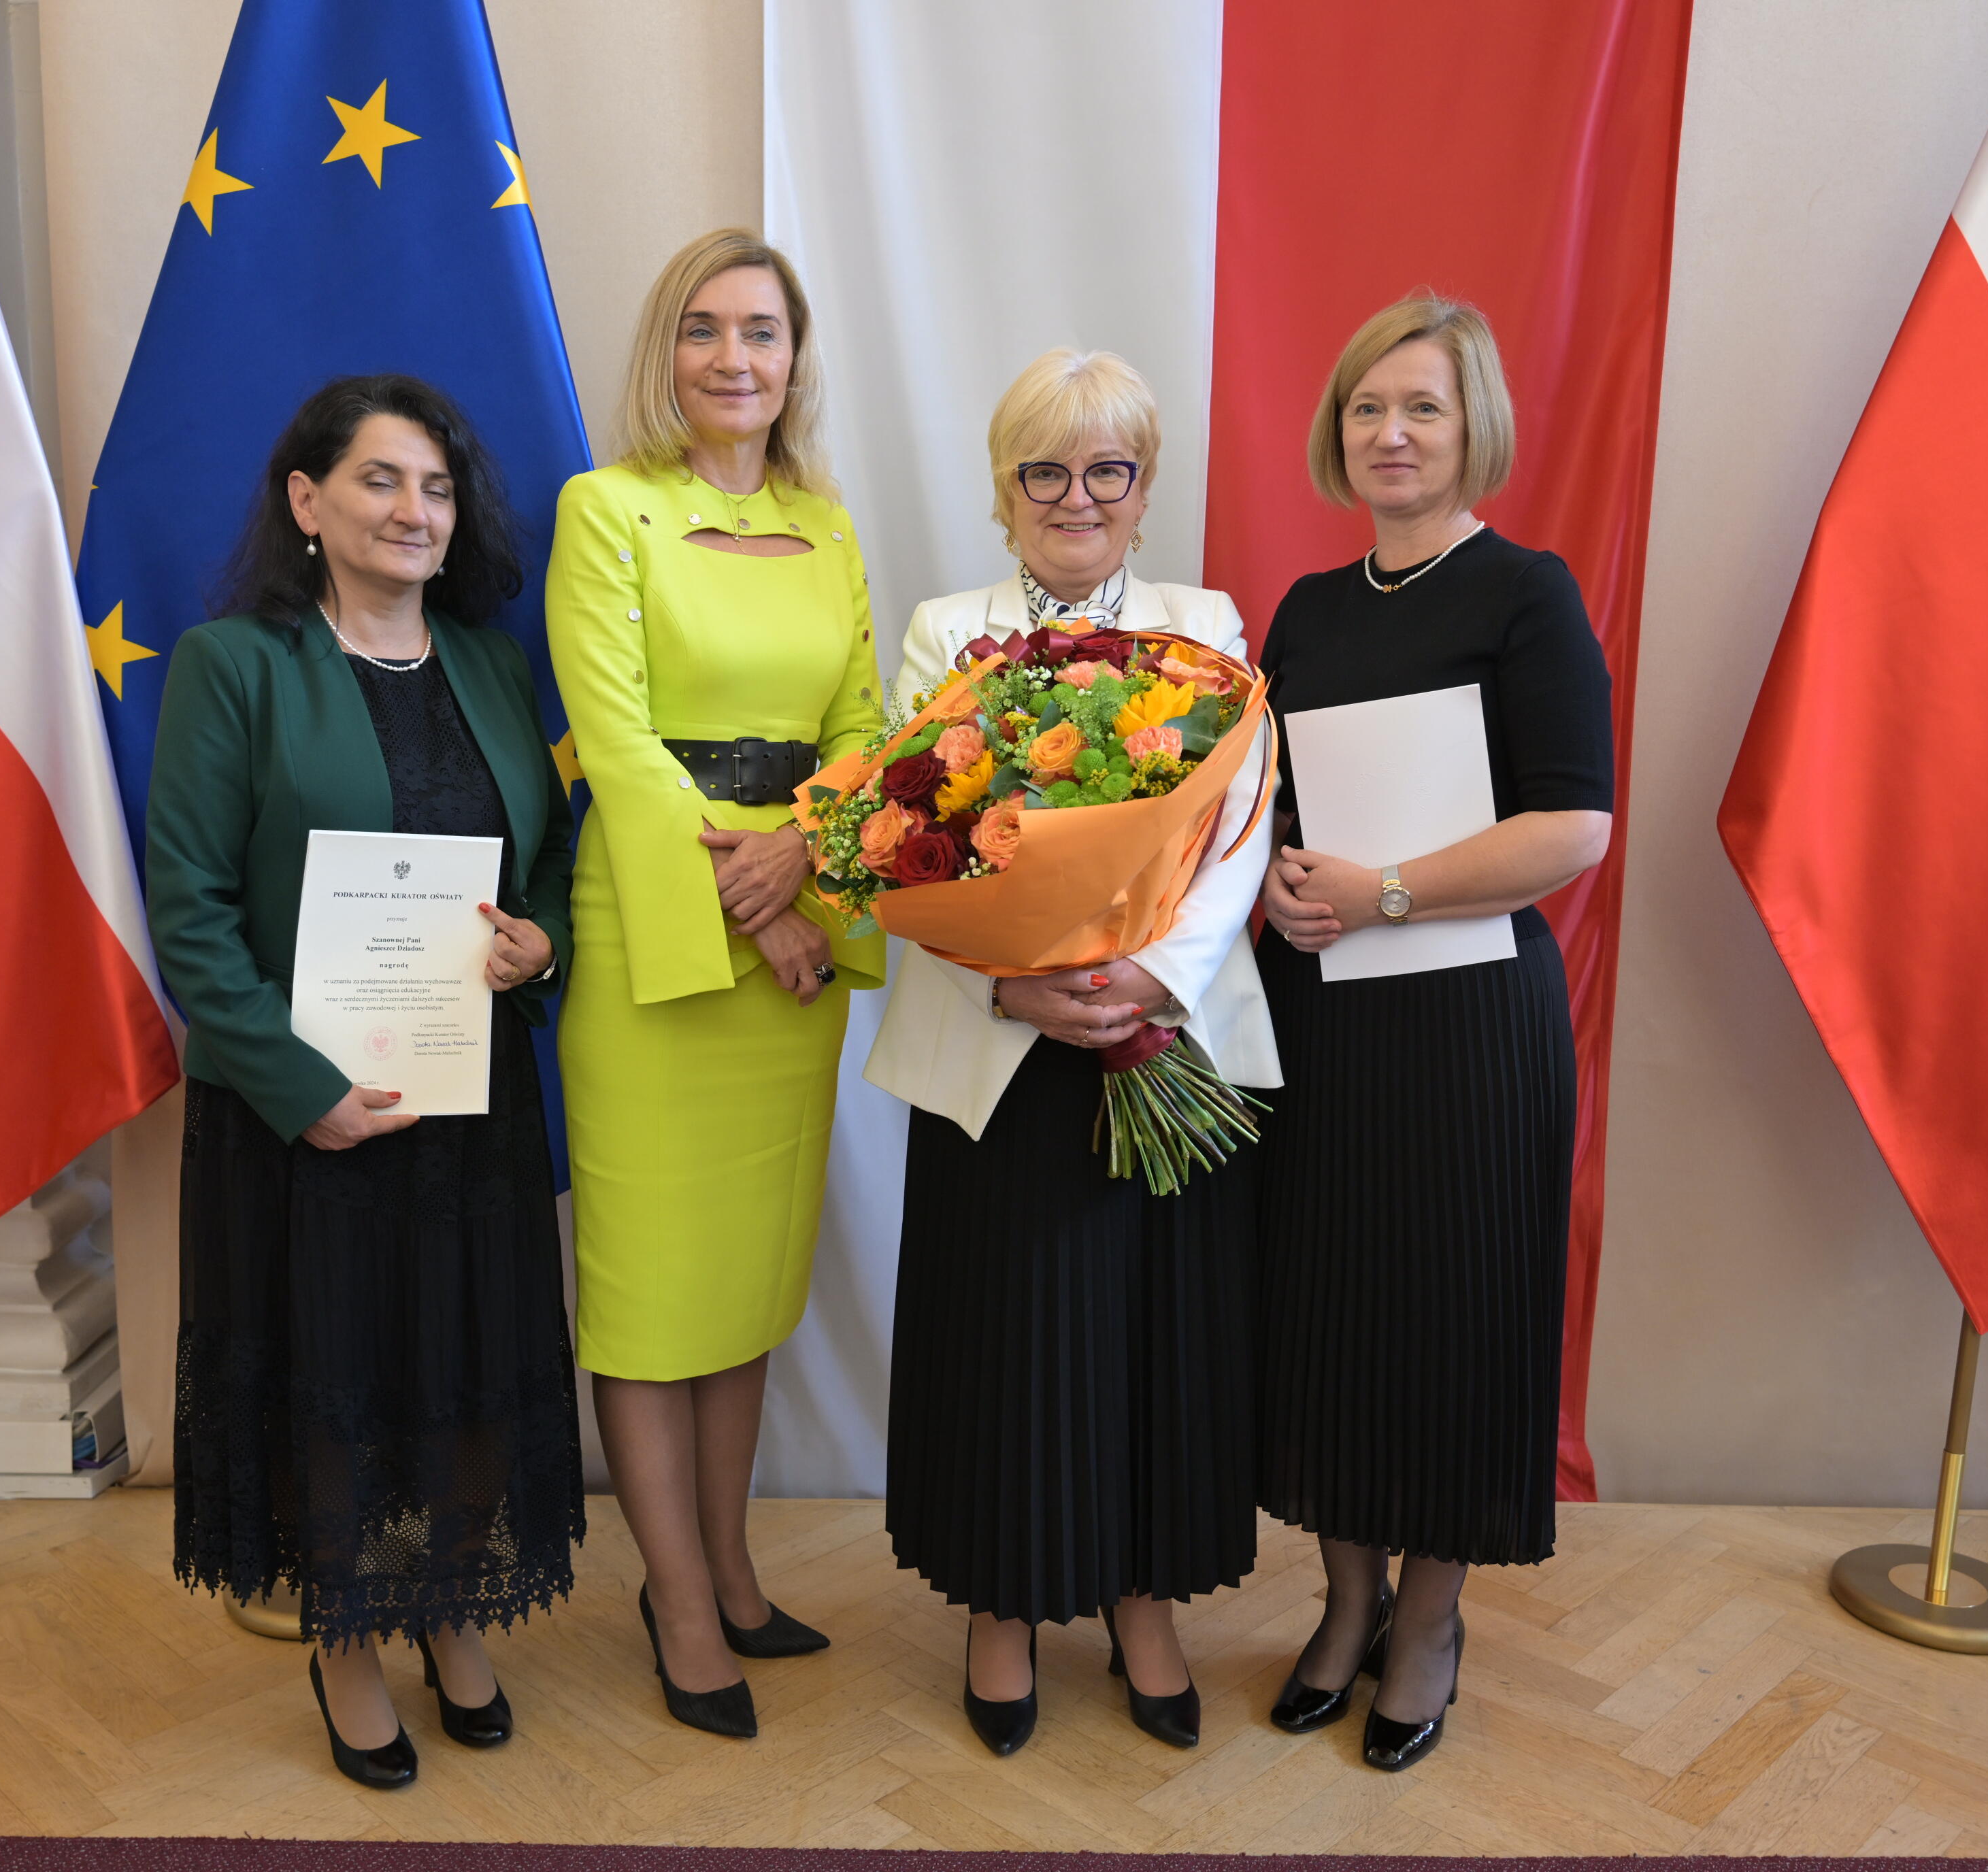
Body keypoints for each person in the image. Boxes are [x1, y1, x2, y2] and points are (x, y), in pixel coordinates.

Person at [149, 375, 586, 1790]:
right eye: (382, 480)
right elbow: (190, 907)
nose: (415, 511)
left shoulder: (490, 664)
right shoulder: (235, 665)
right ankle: (346, 1640)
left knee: (458, 1362)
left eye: (438, 488)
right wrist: (299, 1085)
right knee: (336, 1370)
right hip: (307, 1120)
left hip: (469, 1102)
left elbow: (547, 857)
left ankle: (450, 1607)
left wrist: (541, 940)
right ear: (308, 500)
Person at [865, 349, 1278, 1758]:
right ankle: (1001, 1606)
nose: (1077, 496)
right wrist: (1018, 983)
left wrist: (1152, 974)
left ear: (1145, 489)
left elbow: (1243, 819)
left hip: (1157, 1030)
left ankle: (1141, 1598)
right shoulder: (948, 632)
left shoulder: (1203, 621)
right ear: (1006, 490)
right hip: (1001, 1051)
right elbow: (908, 839)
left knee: (1152, 1337)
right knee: (1006, 1338)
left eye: (1109, 469)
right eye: (1045, 469)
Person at [1253, 295, 1614, 1771]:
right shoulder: (1305, 610)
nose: (1390, 434)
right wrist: (1279, 886)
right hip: (1325, 1023)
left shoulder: (1528, 594)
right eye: (1366, 408)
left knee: (1456, 1323)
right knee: (1330, 1313)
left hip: (1472, 1029)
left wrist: (1383, 890)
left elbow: (1574, 826)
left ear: (1475, 431)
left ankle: (1428, 1624)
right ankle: (1346, 1601)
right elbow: (1269, 814)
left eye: (1422, 408)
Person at [546, 231, 883, 1739]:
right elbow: (619, 744)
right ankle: (677, 1601)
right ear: (666, 355)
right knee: (647, 1290)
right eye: (704, 329)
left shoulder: (828, 524)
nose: (733, 357)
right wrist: (756, 911)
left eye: (761, 330)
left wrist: (803, 873)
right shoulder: (606, 508)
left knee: (744, 1282)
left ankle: (734, 1570)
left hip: (790, 939)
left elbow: (865, 735)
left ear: (795, 360)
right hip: (657, 937)